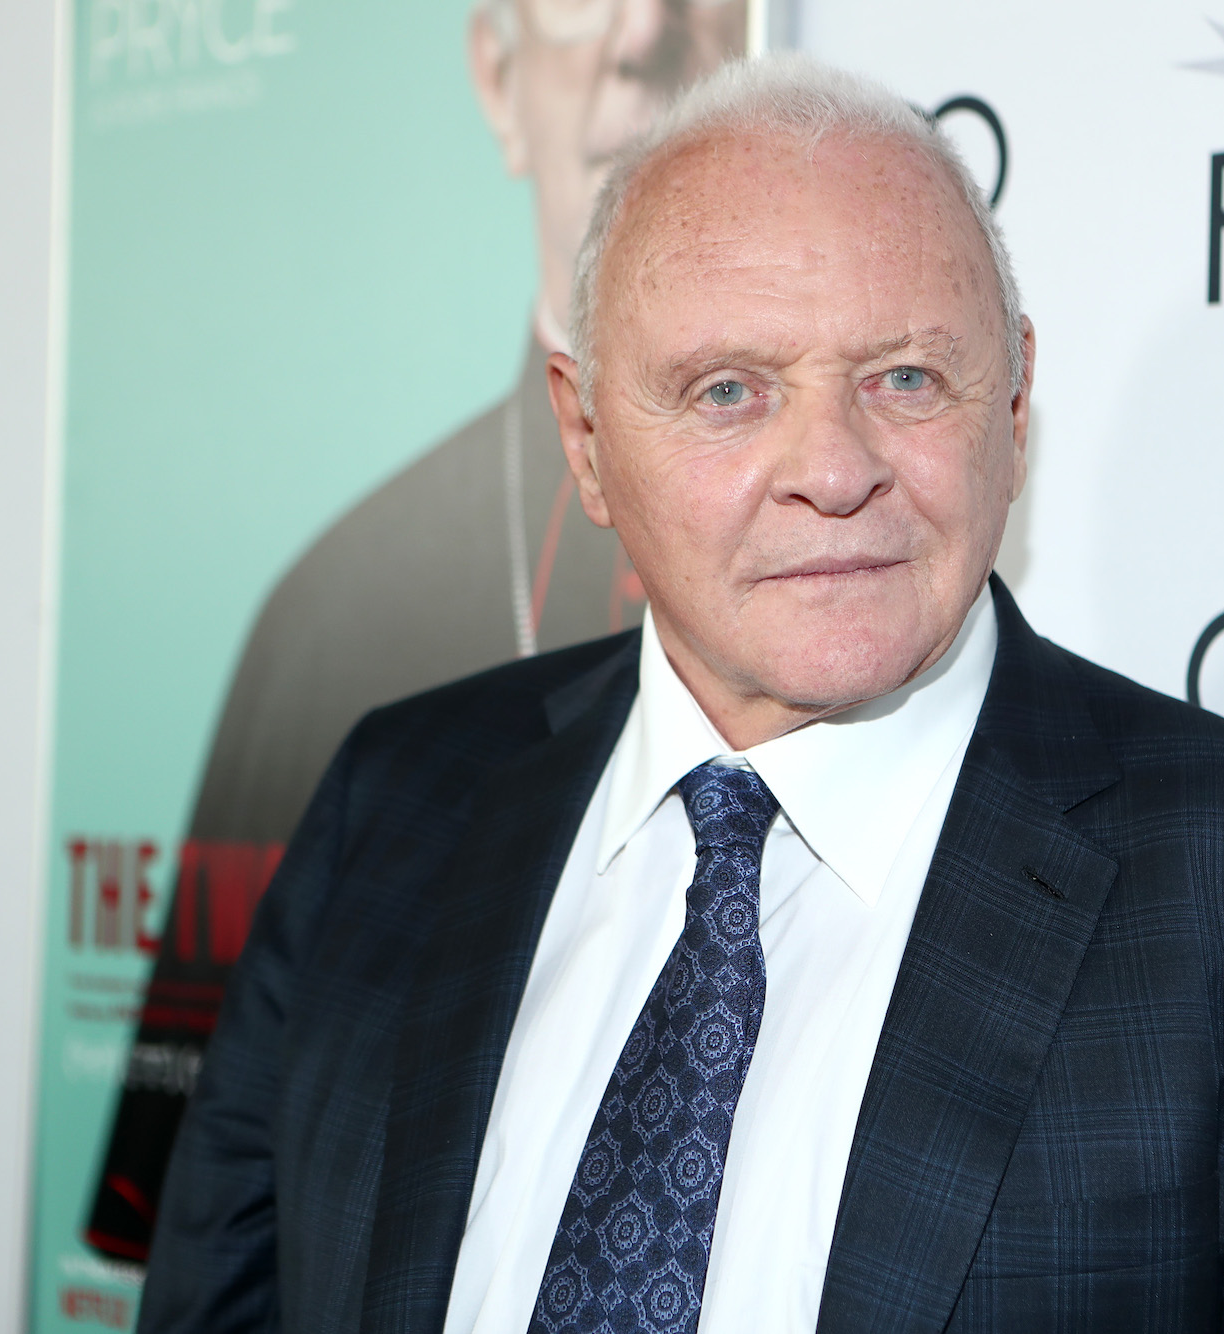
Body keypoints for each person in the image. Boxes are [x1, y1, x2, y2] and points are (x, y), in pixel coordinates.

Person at [138, 55, 1224, 1332]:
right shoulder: (394, 797)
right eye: (728, 391)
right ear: (588, 441)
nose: (834, 467)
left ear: (1013, 412)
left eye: (906, 377)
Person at [86, 0, 746, 1260]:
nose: (639, 30)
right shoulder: (324, 622)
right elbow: (211, 1232)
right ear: (496, 85)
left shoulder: (879, 606)